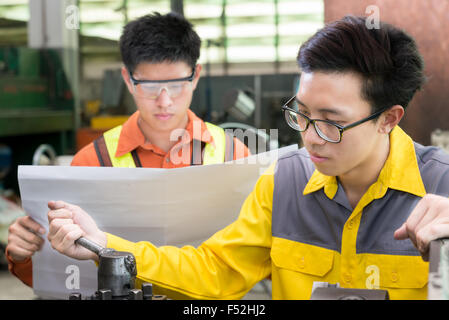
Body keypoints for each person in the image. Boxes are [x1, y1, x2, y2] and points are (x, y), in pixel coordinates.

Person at [48, 15, 449, 300]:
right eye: (302, 114)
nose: (309, 138)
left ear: (388, 119)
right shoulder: (284, 182)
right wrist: (106, 245)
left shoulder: (442, 188)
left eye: (331, 123)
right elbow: (216, 270)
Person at [5, 12, 250, 288]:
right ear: (128, 78)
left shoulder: (234, 155)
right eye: (149, 86)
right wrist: (25, 254)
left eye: (176, 84)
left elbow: (252, 259)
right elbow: (65, 274)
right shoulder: (91, 162)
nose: (164, 101)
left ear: (196, 76)